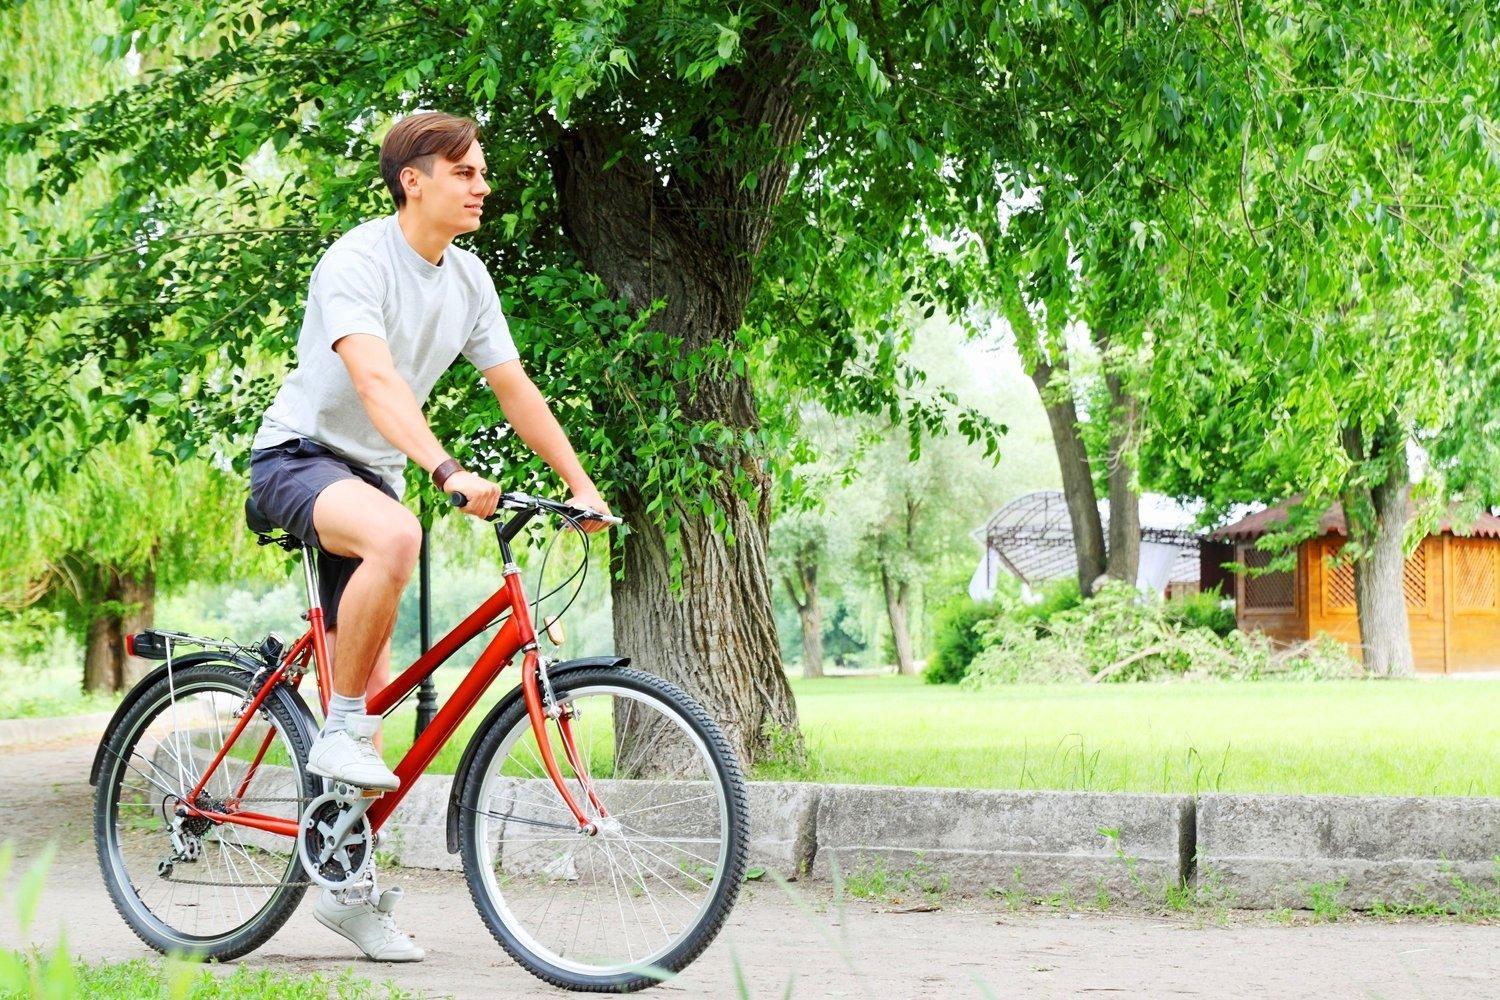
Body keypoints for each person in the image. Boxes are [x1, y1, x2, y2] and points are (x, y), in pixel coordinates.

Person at [248, 110, 611, 962]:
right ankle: (336, 724)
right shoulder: (358, 260)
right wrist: (447, 468)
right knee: (398, 537)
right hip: (298, 457)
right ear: (414, 180)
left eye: (482, 172)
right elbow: (375, 381)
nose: (484, 186)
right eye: (466, 172)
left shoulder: (469, 280)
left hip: (370, 476)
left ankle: (345, 886)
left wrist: (581, 485)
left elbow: (514, 389)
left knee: (380, 694)